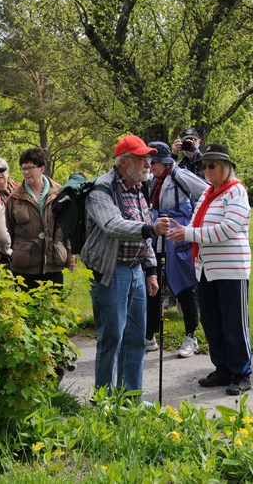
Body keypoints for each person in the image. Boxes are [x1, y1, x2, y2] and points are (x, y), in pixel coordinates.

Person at [81, 135, 171, 394]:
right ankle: (105, 400)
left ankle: (130, 398)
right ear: (123, 162)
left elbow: (145, 229)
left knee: (136, 339)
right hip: (111, 272)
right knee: (112, 338)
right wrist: (149, 229)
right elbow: (112, 225)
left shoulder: (139, 188)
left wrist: (152, 270)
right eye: (141, 158)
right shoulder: (102, 189)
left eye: (148, 158)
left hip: (137, 271)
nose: (147, 163)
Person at [166, 143, 252, 395]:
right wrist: (183, 232)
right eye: (204, 166)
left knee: (234, 323)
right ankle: (223, 368)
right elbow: (194, 222)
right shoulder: (207, 194)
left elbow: (228, 229)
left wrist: (189, 233)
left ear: (226, 167)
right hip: (205, 268)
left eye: (212, 165)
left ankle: (241, 372)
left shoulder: (236, 192)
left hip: (231, 269)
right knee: (213, 322)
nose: (207, 170)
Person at [145, 141, 208, 357]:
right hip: (158, 236)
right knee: (153, 283)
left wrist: (191, 222)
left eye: (154, 162)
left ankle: (191, 335)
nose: (150, 165)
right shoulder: (154, 180)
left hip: (177, 237)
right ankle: (149, 334)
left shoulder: (179, 175)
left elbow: (206, 193)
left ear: (165, 162)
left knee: (183, 286)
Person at [5, 147, 75, 291]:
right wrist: (7, 259)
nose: (25, 172)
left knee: (52, 309)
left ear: (42, 168)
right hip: (24, 266)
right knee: (25, 310)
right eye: (23, 169)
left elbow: (67, 229)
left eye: (30, 168)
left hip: (53, 264)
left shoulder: (59, 193)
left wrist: (70, 259)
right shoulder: (15, 198)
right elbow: (8, 231)